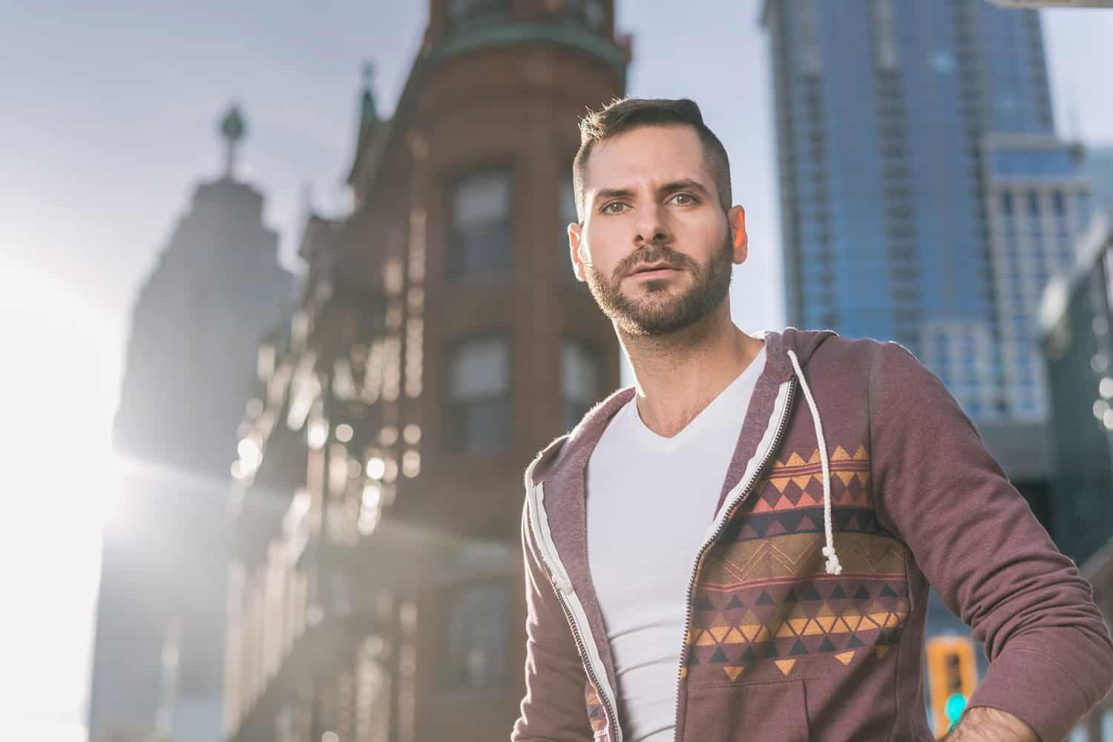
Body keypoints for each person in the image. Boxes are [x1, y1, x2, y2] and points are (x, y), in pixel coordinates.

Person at [510, 97, 1113, 742]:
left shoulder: (862, 394)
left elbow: (1056, 622)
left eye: (682, 198)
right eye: (615, 204)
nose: (649, 227)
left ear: (736, 233)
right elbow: (552, 724)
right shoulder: (559, 489)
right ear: (580, 251)